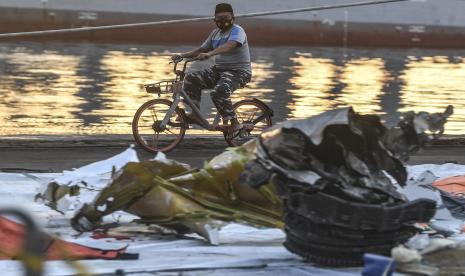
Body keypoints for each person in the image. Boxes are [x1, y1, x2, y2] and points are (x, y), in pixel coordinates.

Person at [171, 3, 252, 134]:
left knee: (218, 92)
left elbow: (230, 45)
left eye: (226, 17)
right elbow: (202, 49)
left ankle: (235, 123)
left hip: (239, 72)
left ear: (233, 18)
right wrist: (182, 56)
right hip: (219, 70)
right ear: (214, 20)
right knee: (191, 78)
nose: (223, 21)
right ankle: (195, 114)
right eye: (219, 18)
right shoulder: (215, 33)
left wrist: (210, 54)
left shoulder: (238, 30)